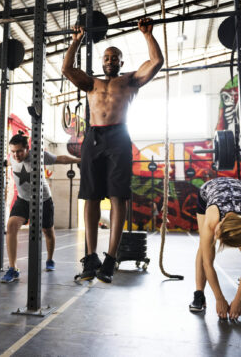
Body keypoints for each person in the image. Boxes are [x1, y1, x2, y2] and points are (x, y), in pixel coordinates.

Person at [62, 18, 163, 283]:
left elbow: (156, 63)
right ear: (102, 62)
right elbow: (66, 68)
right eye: (107, 57)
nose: (110, 60)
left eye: (114, 57)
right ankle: (91, 257)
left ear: (120, 62)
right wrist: (76, 42)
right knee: (90, 196)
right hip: (94, 136)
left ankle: (110, 258)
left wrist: (148, 35)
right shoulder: (91, 83)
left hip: (119, 135)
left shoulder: (130, 81)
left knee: (118, 197)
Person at [1, 132, 81, 283]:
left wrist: (80, 159)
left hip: (44, 200)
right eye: (13, 151)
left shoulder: (39, 155)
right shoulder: (12, 157)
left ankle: (50, 260)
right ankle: (13, 268)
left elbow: (60, 159)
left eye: (19, 151)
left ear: (27, 149)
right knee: (11, 226)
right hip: (23, 200)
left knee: (48, 232)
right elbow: (7, 162)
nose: (16, 155)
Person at [189, 177, 241, 320]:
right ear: (220, 224)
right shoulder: (212, 221)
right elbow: (208, 264)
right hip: (209, 190)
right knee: (204, 247)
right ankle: (199, 295)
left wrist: (239, 300)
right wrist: (219, 298)